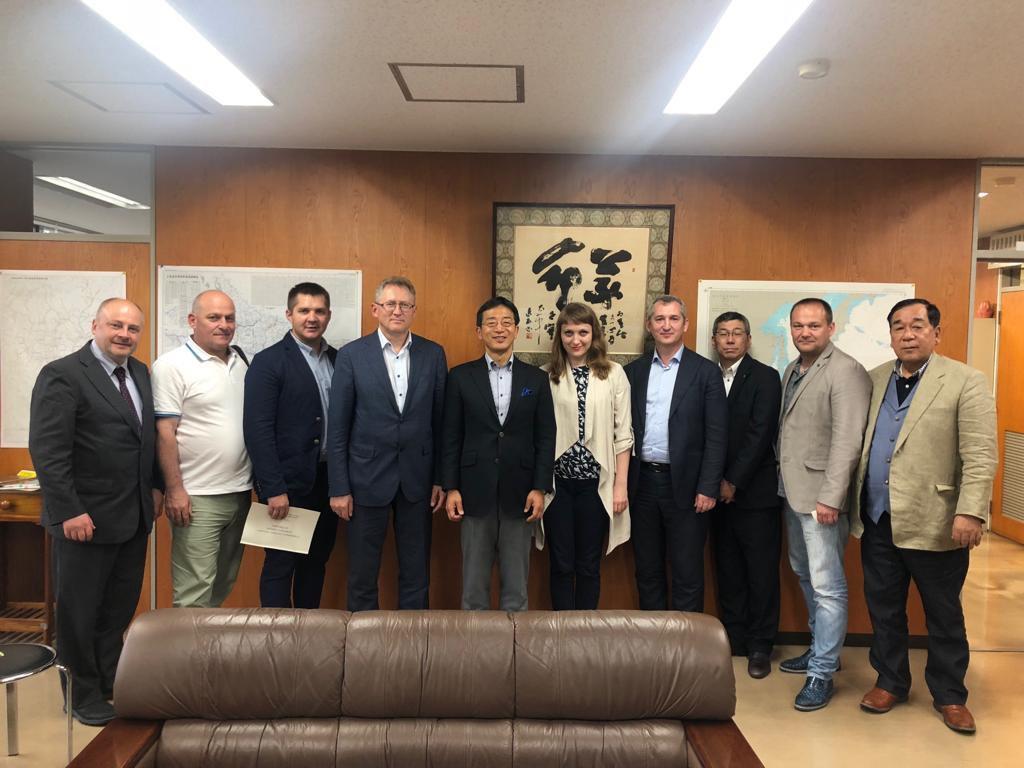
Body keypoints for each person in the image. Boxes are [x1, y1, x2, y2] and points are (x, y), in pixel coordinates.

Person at [851, 299, 996, 734]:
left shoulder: (966, 381)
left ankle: (950, 695)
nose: (908, 334)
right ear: (891, 335)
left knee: (943, 613)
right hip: (878, 519)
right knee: (884, 608)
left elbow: (980, 453)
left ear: (936, 332)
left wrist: (970, 511)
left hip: (938, 520)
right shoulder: (875, 378)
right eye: (899, 327)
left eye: (917, 326)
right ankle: (890, 681)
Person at [29, 298, 161, 726]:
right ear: (95, 325)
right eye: (116, 325)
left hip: (132, 517)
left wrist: (156, 488)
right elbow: (48, 450)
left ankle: (109, 683)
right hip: (83, 520)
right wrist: (69, 510)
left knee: (116, 611)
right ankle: (80, 694)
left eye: (133, 328)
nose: (125, 334)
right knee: (78, 614)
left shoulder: (139, 373)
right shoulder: (63, 374)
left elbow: (145, 440)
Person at [327, 276, 447, 610]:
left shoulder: (433, 354)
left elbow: (441, 424)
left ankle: (414, 639)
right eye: (390, 304)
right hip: (365, 480)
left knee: (416, 573)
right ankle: (363, 640)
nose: (397, 310)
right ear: (375, 309)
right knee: (363, 574)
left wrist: (440, 478)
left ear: (414, 311)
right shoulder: (352, 355)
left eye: (405, 304)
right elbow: (338, 428)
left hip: (418, 481)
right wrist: (339, 487)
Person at [777, 297, 871, 711]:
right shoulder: (792, 369)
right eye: (798, 325)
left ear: (831, 328)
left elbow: (848, 442)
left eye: (814, 325)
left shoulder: (846, 370)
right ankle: (820, 649)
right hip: (792, 492)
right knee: (804, 574)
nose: (805, 332)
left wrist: (831, 497)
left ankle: (822, 671)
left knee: (828, 586)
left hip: (821, 500)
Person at [442, 296, 555, 611]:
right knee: (473, 589)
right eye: (491, 323)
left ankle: (514, 644)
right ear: (479, 332)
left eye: (507, 322)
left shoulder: (536, 379)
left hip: (520, 494)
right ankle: (475, 644)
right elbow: (451, 436)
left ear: (517, 330)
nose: (499, 329)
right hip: (473, 493)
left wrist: (540, 487)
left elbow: (546, 436)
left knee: (516, 590)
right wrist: (451, 487)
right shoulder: (460, 377)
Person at [624, 295, 727, 613]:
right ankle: (653, 637)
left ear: (685, 324)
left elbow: (717, 435)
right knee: (647, 569)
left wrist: (708, 487)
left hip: (687, 486)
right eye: (659, 319)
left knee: (687, 570)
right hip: (642, 484)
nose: (666, 325)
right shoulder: (634, 372)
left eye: (673, 318)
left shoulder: (705, 372)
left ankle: (686, 639)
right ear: (649, 325)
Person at [153, 290, 252, 607]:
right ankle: (184, 643)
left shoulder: (241, 362)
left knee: (222, 584)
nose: (224, 324)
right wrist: (174, 490)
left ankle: (207, 641)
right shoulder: (171, 365)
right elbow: (164, 432)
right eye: (214, 317)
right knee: (194, 593)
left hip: (240, 493)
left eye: (229, 318)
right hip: (197, 497)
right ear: (192, 321)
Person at [243, 282, 339, 608]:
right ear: (289, 314)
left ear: (328, 316)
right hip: (286, 484)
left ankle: (307, 632)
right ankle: (277, 636)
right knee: (280, 566)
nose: (312, 318)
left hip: (327, 482)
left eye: (319, 311)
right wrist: (273, 488)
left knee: (316, 562)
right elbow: (257, 430)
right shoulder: (268, 362)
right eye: (304, 310)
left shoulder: (338, 359)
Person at [543, 302, 633, 610]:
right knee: (560, 563)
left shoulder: (614, 374)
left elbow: (623, 435)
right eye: (568, 333)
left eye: (583, 332)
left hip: (596, 485)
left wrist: (620, 486)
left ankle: (585, 631)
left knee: (588, 565)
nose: (576, 340)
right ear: (560, 336)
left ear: (594, 334)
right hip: (557, 486)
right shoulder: (548, 375)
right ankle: (561, 629)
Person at [710, 311, 783, 679]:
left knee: (761, 572)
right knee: (728, 569)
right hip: (713, 495)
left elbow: (759, 434)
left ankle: (760, 645)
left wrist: (733, 481)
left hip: (755, 494)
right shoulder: (707, 375)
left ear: (748, 339)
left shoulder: (766, 377)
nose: (730, 339)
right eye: (723, 333)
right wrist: (713, 482)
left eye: (737, 333)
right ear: (714, 340)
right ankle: (734, 639)